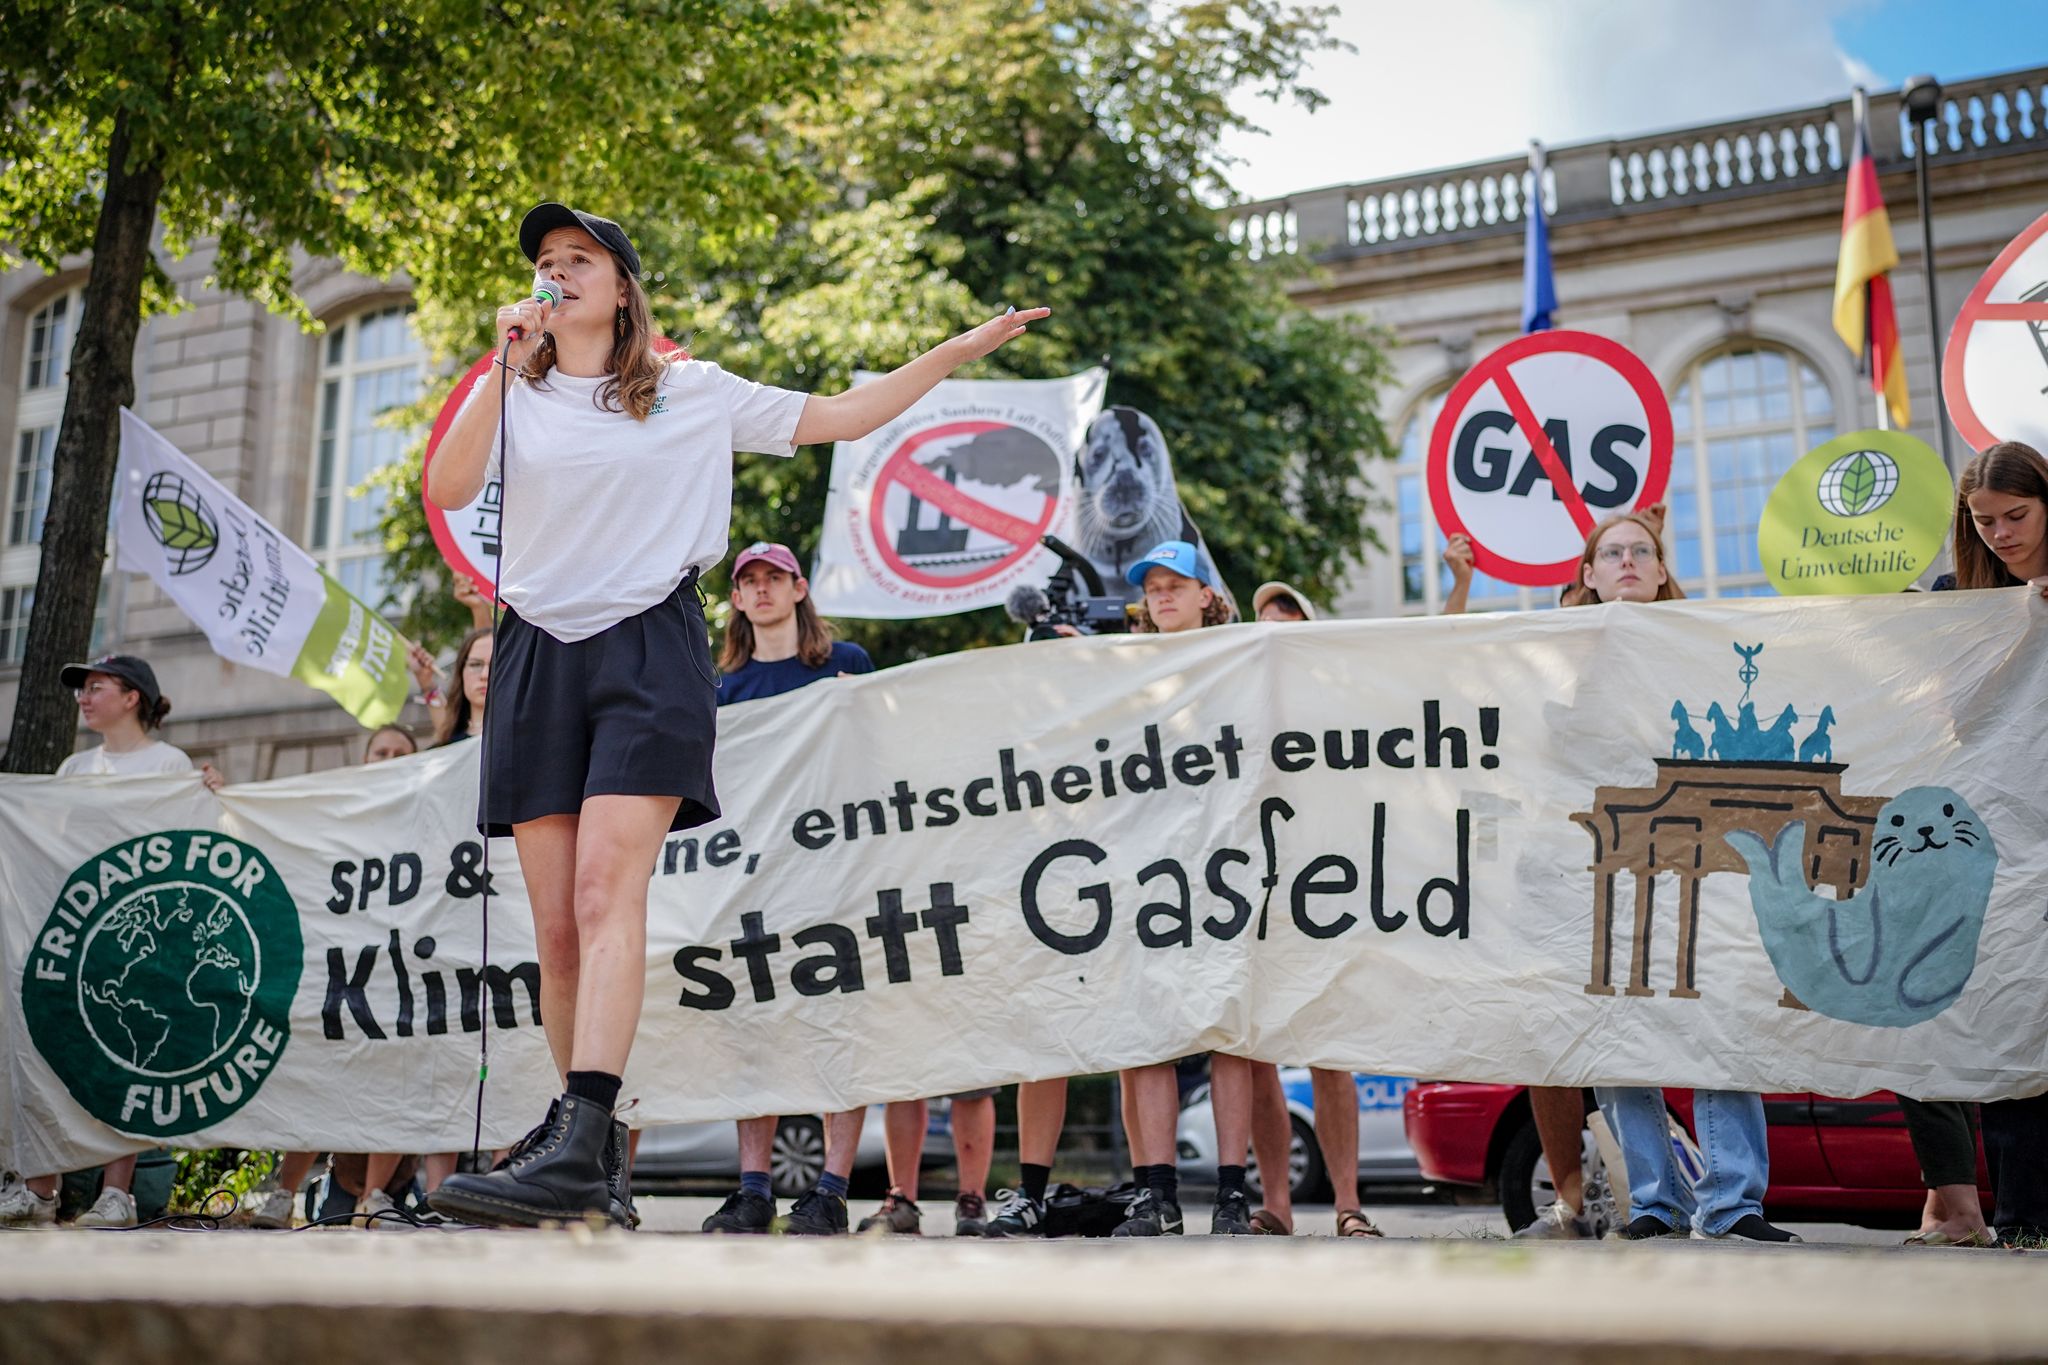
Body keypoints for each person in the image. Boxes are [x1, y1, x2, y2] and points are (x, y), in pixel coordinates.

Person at [425, 199, 1043, 1230]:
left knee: (601, 890)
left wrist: (958, 348)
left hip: (645, 649)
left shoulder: (689, 390)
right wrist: (502, 363)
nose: (557, 272)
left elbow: (844, 413)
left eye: (580, 258)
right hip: (535, 647)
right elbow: (445, 486)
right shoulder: (514, 391)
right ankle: (588, 1169)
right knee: (555, 931)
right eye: (545, 261)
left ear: (622, 287)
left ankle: (580, 1134)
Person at [1549, 514, 1796, 1243]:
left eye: (1642, 550)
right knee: (1620, 1026)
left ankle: (1733, 1201)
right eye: (1612, 552)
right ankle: (1656, 1198)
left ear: (1661, 571)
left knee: (1715, 1018)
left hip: (1706, 861)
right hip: (1608, 864)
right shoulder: (1564, 659)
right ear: (1589, 575)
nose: (1627, 560)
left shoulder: (1707, 648)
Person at [0, 654, 220, 1229]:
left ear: (133, 698)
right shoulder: (75, 768)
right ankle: (39, 1189)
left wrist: (210, 790)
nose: (83, 697)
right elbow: (51, 846)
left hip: (140, 932)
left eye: (96, 687)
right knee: (49, 1050)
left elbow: (188, 837)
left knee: (129, 1054)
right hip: (80, 931)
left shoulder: (168, 762)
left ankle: (115, 1193)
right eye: (81, 689)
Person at [696, 542, 876, 1235]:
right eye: (750, 582)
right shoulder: (723, 689)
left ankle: (831, 1187)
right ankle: (754, 1188)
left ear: (801, 588)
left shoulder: (846, 666)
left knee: (836, 1026)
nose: (763, 590)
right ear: (737, 600)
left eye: (776, 577)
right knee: (755, 1032)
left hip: (835, 875)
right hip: (755, 881)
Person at [1929, 440, 2048, 1248]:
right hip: (2001, 847)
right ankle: (2025, 1214)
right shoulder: (1954, 598)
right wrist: (2017, 627)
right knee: (2010, 1019)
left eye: (2018, 515)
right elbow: (1954, 717)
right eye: (1985, 521)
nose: (2002, 533)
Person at [235, 721, 425, 1229]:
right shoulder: (339, 812)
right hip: (340, 965)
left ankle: (377, 1197)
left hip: (400, 967)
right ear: (363, 761)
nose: (386, 759)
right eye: (378, 751)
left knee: (393, 1074)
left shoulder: (427, 816)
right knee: (323, 1071)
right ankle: (283, 1194)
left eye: (398, 753)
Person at [1240, 583, 1384, 1239]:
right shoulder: (1234, 705)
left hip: (1323, 888)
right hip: (1252, 891)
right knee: (1260, 1053)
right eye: (1263, 625)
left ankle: (1348, 1203)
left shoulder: (1338, 708)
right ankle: (1278, 1204)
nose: (1275, 633)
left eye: (1288, 623)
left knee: (1329, 1048)